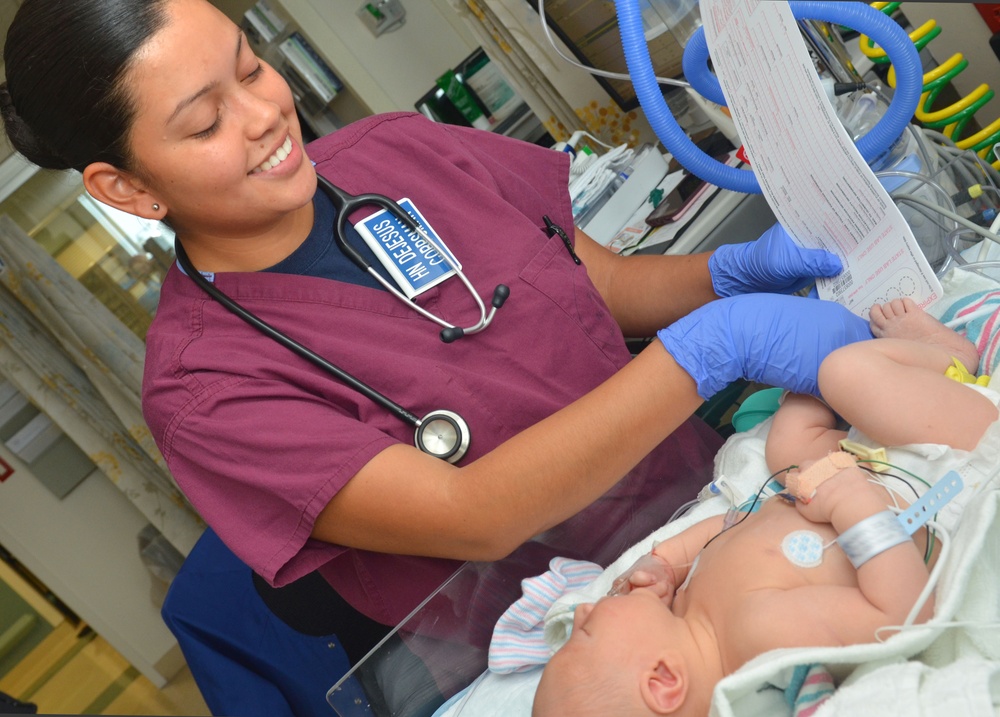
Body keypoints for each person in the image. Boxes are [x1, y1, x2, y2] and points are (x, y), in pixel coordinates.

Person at [0, 0, 871, 661]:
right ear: (129, 190)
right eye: (204, 121)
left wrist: (726, 273)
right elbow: (474, 514)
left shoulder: (399, 155)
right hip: (583, 638)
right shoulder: (206, 391)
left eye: (251, 68)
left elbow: (599, 285)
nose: (266, 113)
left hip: (715, 508)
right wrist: (712, 345)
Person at [532, 298, 999, 717]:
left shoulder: (694, 611)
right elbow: (903, 613)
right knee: (843, 372)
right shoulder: (765, 638)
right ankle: (950, 358)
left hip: (834, 475)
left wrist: (666, 563)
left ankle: (836, 372)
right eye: (585, 635)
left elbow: (731, 524)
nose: (583, 614)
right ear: (663, 681)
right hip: (942, 460)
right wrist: (856, 507)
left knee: (789, 437)